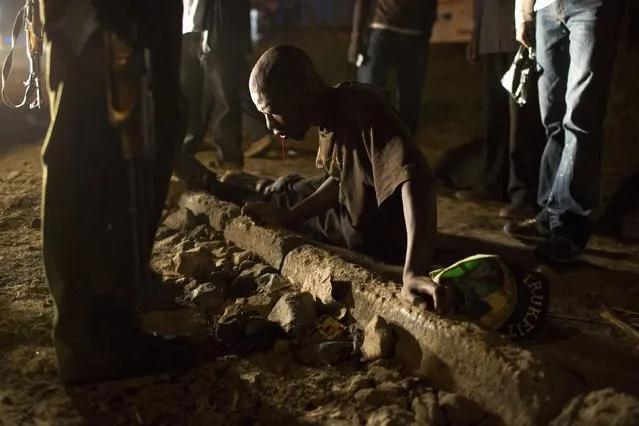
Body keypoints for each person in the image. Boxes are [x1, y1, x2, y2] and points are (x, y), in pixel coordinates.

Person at [40, 0, 189, 384]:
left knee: (145, 131)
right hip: (105, 15)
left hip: (121, 17)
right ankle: (95, 341)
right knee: (97, 148)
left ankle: (108, 326)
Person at [241, 45, 451, 312]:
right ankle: (235, 184)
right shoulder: (329, 113)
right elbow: (342, 177)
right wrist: (289, 217)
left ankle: (223, 183)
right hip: (348, 212)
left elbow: (415, 179)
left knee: (281, 190)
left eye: (273, 111)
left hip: (369, 230)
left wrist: (413, 272)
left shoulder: (365, 111)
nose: (269, 125)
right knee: (284, 190)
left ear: (303, 91)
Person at [505, 0, 621, 262]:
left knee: (580, 117)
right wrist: (523, 13)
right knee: (554, 121)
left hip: (590, 6)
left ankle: (569, 227)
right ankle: (550, 214)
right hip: (546, 9)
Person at [455, 0, 545, 218]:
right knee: (495, 118)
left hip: (521, 35)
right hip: (492, 36)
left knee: (522, 122)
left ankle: (524, 194)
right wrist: (477, 32)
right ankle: (493, 182)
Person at [178, 0, 276, 181]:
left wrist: (209, 32)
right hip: (190, 30)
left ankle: (230, 158)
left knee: (226, 98)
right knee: (195, 97)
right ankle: (187, 152)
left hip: (215, 32)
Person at [348, 0, 437, 136]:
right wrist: (356, 37)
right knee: (367, 94)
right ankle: (362, 147)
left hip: (415, 34)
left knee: (409, 103)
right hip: (385, 29)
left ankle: (405, 152)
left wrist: (427, 30)